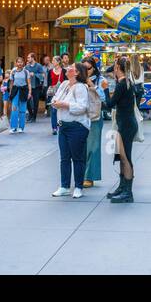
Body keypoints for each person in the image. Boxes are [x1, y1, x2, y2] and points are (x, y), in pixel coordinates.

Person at [102, 55, 138, 204]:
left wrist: (104, 90)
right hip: (126, 123)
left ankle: (127, 192)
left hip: (126, 124)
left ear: (118, 68)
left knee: (125, 158)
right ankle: (123, 188)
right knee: (122, 157)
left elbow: (110, 104)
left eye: (115, 66)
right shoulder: (127, 82)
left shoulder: (122, 84)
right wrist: (117, 65)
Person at [51, 62, 90, 199]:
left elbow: (82, 107)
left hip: (77, 126)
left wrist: (65, 105)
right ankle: (64, 186)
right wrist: (56, 103)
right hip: (63, 126)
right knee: (64, 157)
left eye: (71, 67)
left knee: (78, 158)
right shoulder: (64, 84)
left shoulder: (80, 87)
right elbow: (55, 98)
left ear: (77, 72)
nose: (68, 68)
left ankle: (78, 187)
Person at [81, 57, 104, 186]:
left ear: (93, 69)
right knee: (81, 148)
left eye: (88, 68)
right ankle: (82, 174)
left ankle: (89, 176)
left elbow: (104, 97)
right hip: (80, 117)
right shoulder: (78, 81)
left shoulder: (101, 80)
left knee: (93, 147)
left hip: (94, 117)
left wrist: (92, 85)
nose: (85, 71)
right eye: (83, 68)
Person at [8, 55, 31, 133]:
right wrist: (10, 92)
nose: (20, 63)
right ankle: (13, 127)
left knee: (22, 110)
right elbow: (11, 83)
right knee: (14, 108)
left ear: (23, 63)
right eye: (18, 62)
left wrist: (29, 93)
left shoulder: (26, 71)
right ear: (16, 63)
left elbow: (29, 83)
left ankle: (21, 127)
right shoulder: (13, 71)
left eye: (21, 62)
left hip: (24, 90)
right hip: (15, 90)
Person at [47, 55, 66, 133]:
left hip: (62, 93)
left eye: (54, 60)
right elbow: (48, 83)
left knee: (62, 110)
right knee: (54, 110)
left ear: (58, 62)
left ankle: (61, 125)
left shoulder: (64, 71)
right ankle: (54, 128)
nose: (52, 62)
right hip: (53, 93)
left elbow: (66, 82)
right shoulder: (50, 71)